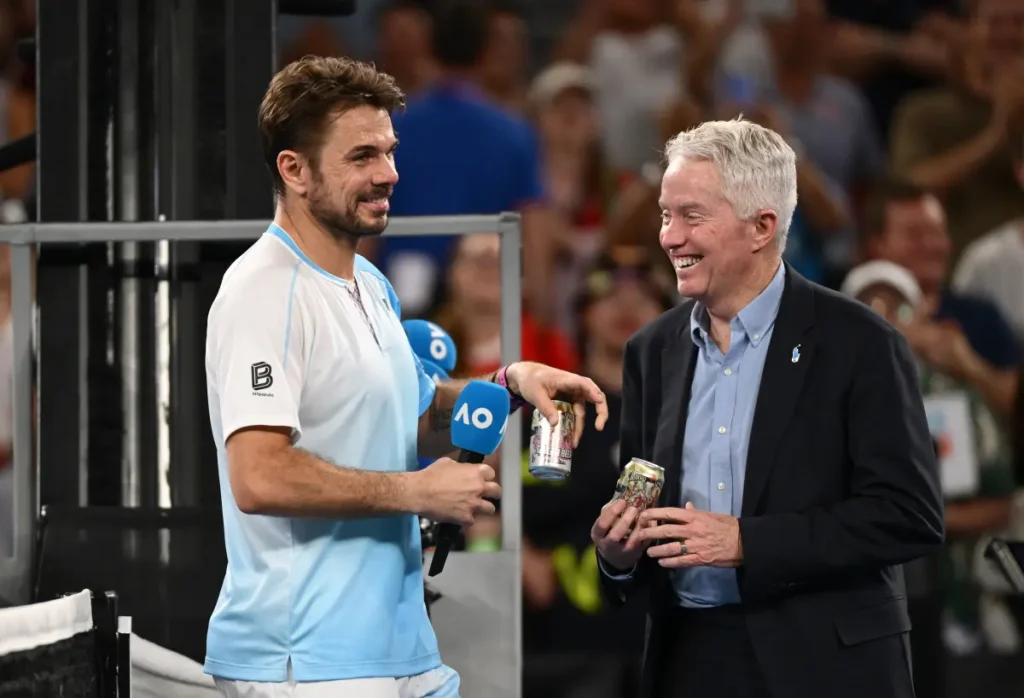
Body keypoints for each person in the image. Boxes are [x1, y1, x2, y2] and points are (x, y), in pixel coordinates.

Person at [203, 55, 608, 698]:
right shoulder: (263, 292)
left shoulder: (370, 283)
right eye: (362, 156)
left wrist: (507, 383)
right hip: (305, 660)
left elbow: (415, 412)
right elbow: (259, 475)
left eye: (389, 152)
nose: (389, 174)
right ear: (294, 170)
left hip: (399, 646)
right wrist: (417, 492)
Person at [590, 118, 945, 698]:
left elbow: (909, 515)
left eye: (691, 216)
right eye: (665, 214)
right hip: (692, 663)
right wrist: (618, 556)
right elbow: (640, 503)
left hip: (827, 667)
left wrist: (747, 542)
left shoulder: (860, 343)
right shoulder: (652, 350)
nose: (669, 237)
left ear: (762, 226)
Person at [521, 248, 674, 698]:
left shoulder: (686, 410)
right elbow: (517, 504)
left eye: (644, 295)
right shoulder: (557, 408)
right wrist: (521, 555)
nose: (627, 307)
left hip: (665, 634)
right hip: (570, 641)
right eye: (610, 293)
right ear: (584, 313)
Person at [861, 177, 1020, 417]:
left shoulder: (980, 315)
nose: (930, 245)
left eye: (936, 233)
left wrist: (969, 366)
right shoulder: (849, 316)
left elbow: (1016, 404)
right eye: (914, 235)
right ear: (877, 245)